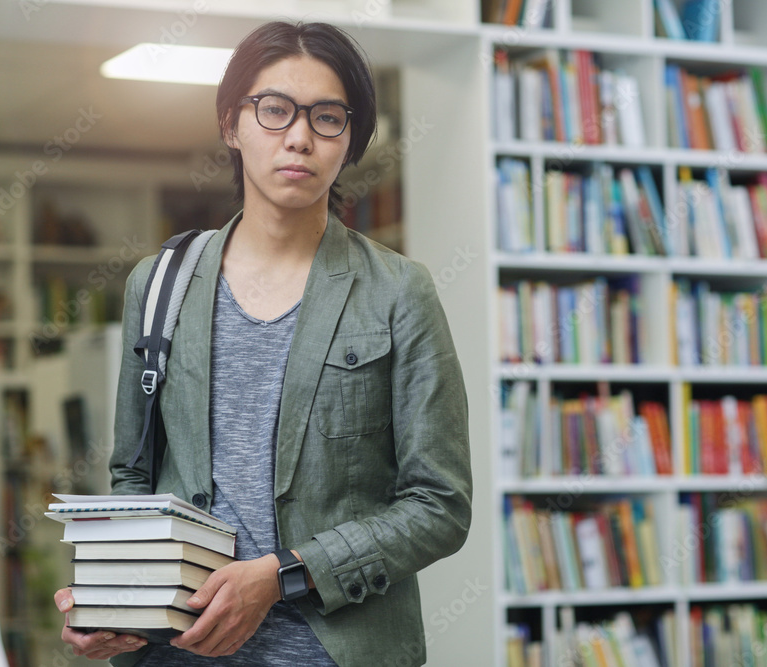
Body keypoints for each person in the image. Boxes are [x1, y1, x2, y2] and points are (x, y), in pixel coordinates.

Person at [54, 20, 472, 667]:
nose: (299, 136)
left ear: (350, 139)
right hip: (176, 652)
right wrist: (111, 603)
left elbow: (439, 504)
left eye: (327, 117)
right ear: (231, 123)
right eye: (274, 109)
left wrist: (281, 576)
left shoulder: (398, 291)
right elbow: (133, 473)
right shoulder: (159, 284)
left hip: (331, 652)